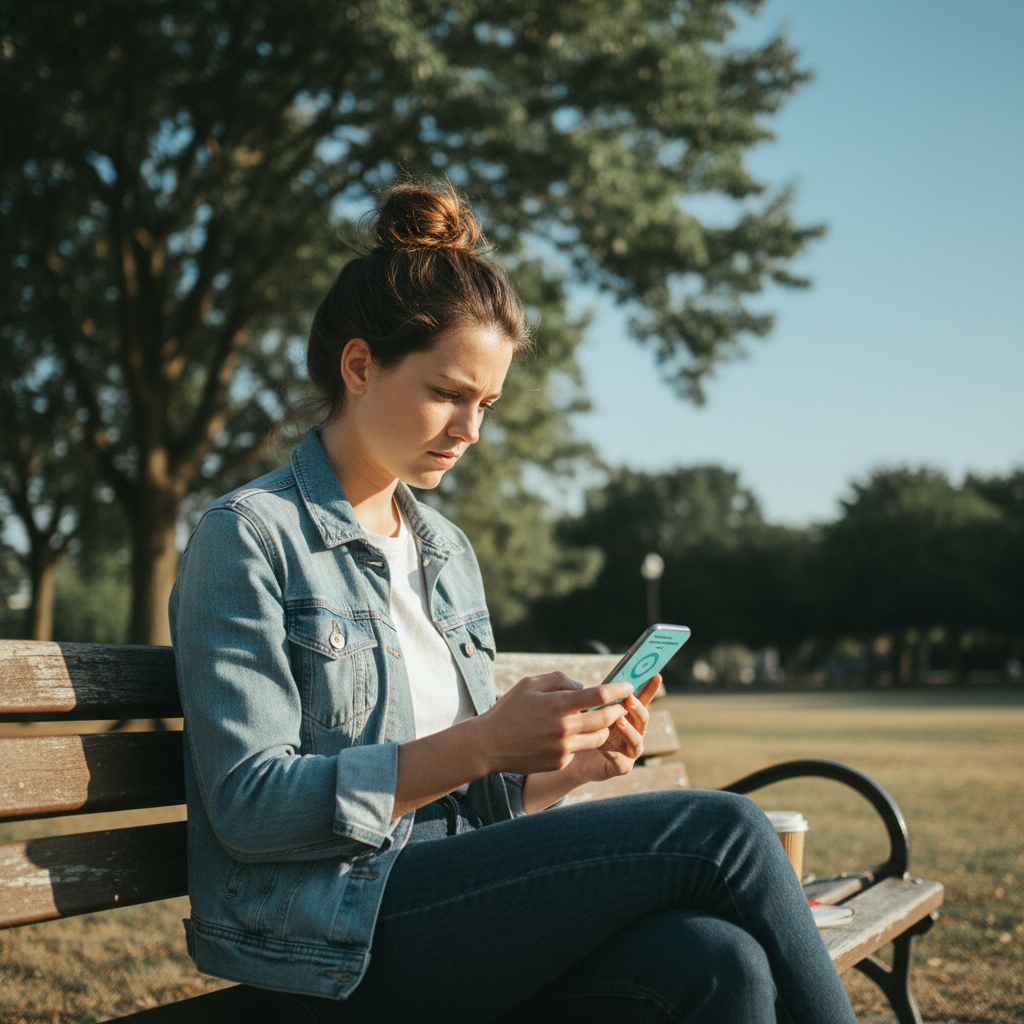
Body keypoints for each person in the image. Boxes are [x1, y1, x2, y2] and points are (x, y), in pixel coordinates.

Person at [170, 180, 857, 1024]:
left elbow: (467, 802)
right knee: (725, 833)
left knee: (719, 964)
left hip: (450, 900)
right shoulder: (250, 536)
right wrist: (483, 741)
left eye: (487, 403)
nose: (471, 430)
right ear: (359, 366)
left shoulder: (445, 551)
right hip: (336, 928)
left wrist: (561, 769)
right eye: (448, 393)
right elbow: (250, 806)